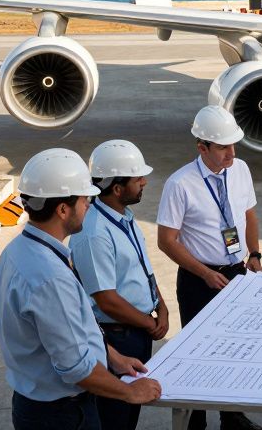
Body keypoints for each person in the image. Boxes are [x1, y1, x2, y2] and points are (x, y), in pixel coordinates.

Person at [0, 148, 161, 430]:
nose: (89, 206)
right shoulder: (50, 277)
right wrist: (130, 392)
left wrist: (114, 358)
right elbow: (76, 368)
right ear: (62, 209)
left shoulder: (17, 251)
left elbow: (72, 330)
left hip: (38, 405)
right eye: (85, 199)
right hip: (62, 415)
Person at [157, 106, 262, 430]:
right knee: (197, 354)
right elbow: (166, 240)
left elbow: (249, 215)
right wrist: (203, 272)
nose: (231, 153)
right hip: (198, 278)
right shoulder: (180, 183)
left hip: (237, 273)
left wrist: (255, 254)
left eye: (234, 145)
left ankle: (232, 416)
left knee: (236, 348)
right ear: (202, 147)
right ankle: (195, 421)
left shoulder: (241, 169)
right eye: (222, 147)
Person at [70, 140, 167, 430]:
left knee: (128, 416)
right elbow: (106, 299)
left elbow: (140, 268)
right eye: (137, 179)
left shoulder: (125, 217)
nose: (144, 182)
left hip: (136, 330)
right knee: (115, 418)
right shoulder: (95, 232)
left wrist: (160, 306)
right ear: (116, 188)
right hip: (117, 338)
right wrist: (149, 324)